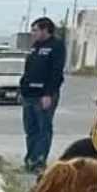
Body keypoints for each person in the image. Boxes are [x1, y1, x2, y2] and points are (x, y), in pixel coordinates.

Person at [19, 17, 67, 174]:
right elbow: (28, 71)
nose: (33, 33)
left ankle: (39, 162)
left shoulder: (56, 46)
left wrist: (48, 94)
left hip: (44, 96)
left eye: (35, 30)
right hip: (29, 96)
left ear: (45, 30)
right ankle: (30, 159)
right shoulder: (35, 47)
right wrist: (22, 91)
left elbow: (56, 73)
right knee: (30, 129)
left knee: (43, 129)